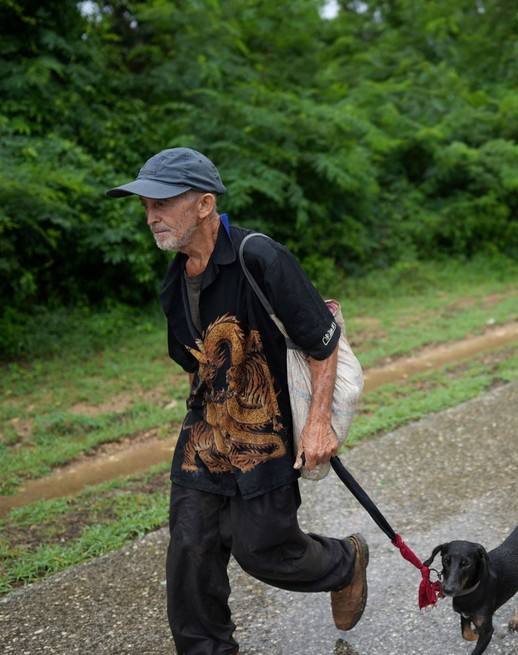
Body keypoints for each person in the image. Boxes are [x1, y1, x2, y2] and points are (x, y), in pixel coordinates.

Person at [107, 147, 368, 655]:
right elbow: (195, 364)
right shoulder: (174, 282)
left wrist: (317, 426)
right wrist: (198, 436)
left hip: (264, 433)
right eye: (145, 205)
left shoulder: (260, 257)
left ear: (205, 205)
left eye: (161, 202)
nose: (151, 215)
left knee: (264, 551)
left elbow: (322, 341)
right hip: (206, 432)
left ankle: (344, 562)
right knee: (189, 552)